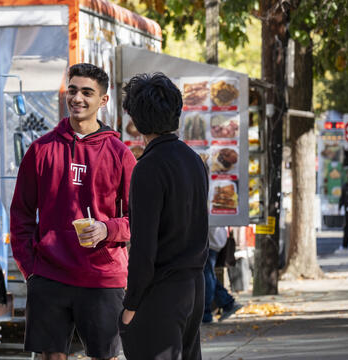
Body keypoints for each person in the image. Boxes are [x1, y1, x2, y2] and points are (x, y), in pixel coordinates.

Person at [10, 63, 136, 360]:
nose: (77, 98)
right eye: (73, 90)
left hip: (103, 276)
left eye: (87, 92)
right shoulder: (40, 150)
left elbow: (139, 218)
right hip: (49, 275)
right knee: (51, 357)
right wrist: (31, 269)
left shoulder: (120, 154)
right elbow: (21, 214)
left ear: (103, 101)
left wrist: (108, 229)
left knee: (105, 357)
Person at [119, 73, 208, 360]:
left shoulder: (148, 167)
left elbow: (144, 246)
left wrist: (130, 305)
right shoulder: (194, 160)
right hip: (195, 285)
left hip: (161, 291)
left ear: (138, 120)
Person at [203, 226, 242, 323]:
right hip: (214, 240)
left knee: (207, 276)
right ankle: (227, 303)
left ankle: (207, 312)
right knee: (207, 275)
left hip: (209, 241)